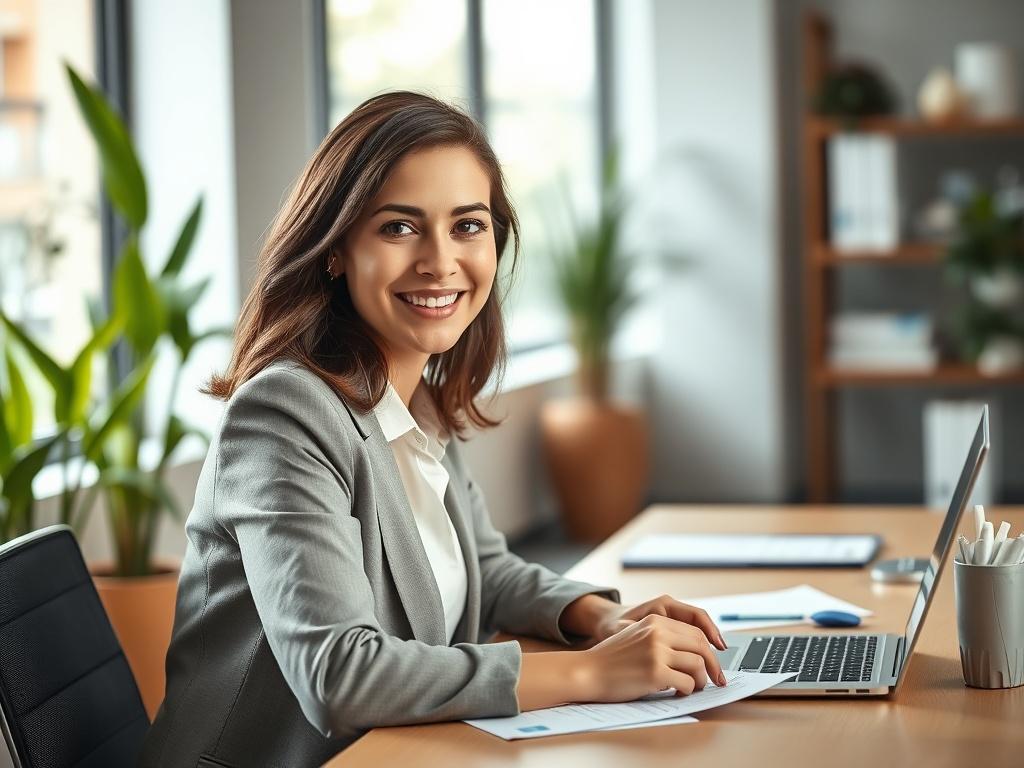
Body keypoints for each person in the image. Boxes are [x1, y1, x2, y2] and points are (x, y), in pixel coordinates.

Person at [138, 91, 726, 768]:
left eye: (468, 226)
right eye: (398, 227)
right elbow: (338, 674)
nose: (440, 260)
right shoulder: (284, 414)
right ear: (335, 251)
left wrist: (601, 619)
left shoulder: (413, 398)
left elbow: (487, 570)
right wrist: (594, 675)